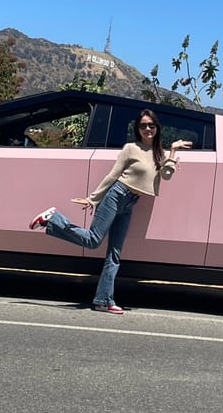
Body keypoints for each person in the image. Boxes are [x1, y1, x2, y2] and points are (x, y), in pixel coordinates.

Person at [29, 109, 193, 315]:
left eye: (151, 125)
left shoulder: (158, 152)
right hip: (117, 195)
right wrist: (93, 198)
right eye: (143, 125)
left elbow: (166, 176)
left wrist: (172, 152)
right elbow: (113, 174)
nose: (147, 129)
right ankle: (53, 219)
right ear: (138, 129)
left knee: (114, 255)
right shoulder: (131, 148)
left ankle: (102, 300)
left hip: (130, 203)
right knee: (93, 240)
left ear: (157, 127)